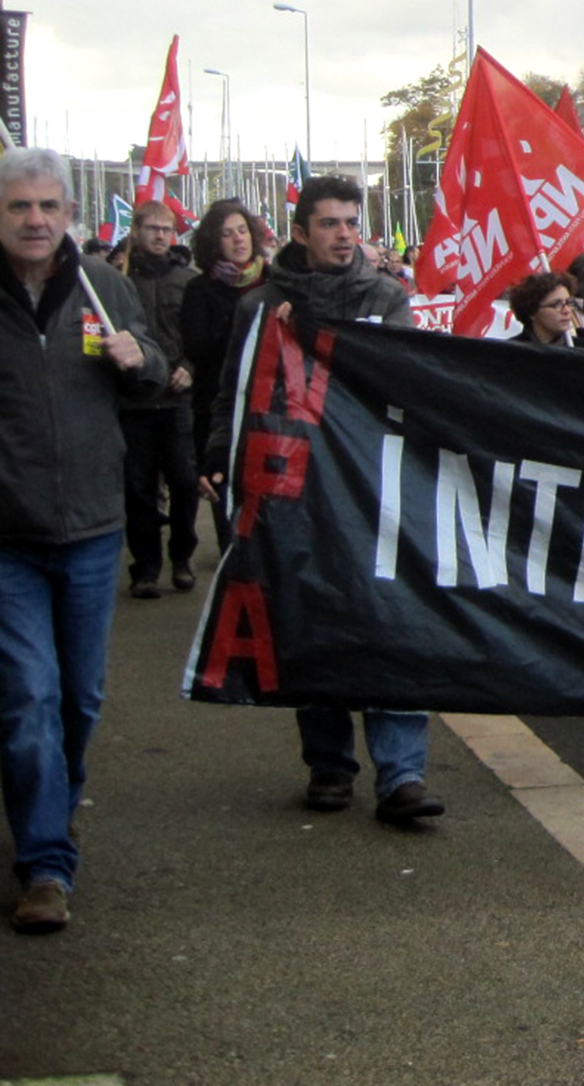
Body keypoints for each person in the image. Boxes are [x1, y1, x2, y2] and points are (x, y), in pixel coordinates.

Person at [203, 175, 442, 824]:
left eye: (351, 223)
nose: (343, 235)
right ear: (301, 232)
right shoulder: (259, 307)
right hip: (294, 487)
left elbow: (407, 383)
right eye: (330, 224)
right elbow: (233, 391)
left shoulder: (386, 297)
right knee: (308, 618)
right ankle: (330, 764)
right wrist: (218, 458)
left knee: (390, 617)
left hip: (371, 485)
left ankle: (402, 773)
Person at [1, 148, 165, 934]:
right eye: (17, 207)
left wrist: (142, 360)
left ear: (69, 215)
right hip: (7, 536)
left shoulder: (105, 286)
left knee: (78, 697)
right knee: (25, 696)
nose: (34, 220)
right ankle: (44, 864)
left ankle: (52, 806)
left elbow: (160, 370)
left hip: (93, 528)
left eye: (47, 207)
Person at [118, 200, 203, 597]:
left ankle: (182, 556)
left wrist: (190, 366)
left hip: (176, 399)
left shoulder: (187, 281)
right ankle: (146, 568)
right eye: (152, 228)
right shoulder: (119, 280)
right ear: (136, 231)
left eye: (166, 230)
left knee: (185, 482)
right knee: (138, 489)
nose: (160, 236)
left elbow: (200, 336)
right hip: (133, 401)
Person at [180, 197, 269, 553]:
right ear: (213, 243)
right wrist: (239, 322)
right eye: (227, 234)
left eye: (242, 230)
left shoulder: (272, 281)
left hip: (267, 403)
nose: (238, 239)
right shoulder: (199, 290)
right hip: (220, 407)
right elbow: (196, 349)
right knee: (225, 491)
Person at [507, 271, 584, 347]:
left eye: (568, 302)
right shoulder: (510, 350)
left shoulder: (582, 349)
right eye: (556, 305)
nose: (567, 310)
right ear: (532, 311)